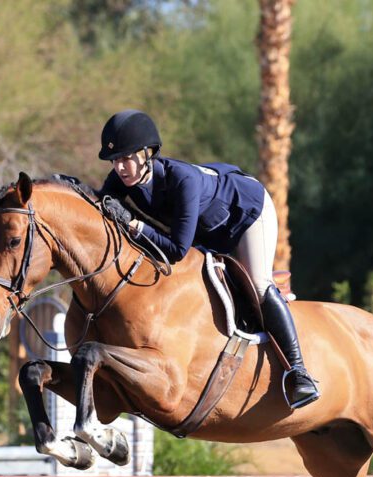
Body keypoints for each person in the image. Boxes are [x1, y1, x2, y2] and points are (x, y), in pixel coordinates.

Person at [96, 109, 319, 410]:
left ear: (147, 154)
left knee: (258, 284)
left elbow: (177, 250)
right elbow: (102, 205)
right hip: (206, 233)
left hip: (245, 214)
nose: (120, 167)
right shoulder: (121, 179)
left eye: (126, 158)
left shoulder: (182, 180)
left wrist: (136, 225)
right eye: (115, 160)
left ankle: (299, 372)